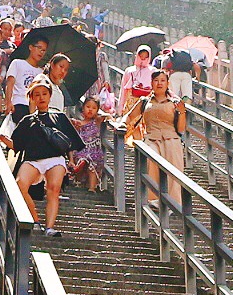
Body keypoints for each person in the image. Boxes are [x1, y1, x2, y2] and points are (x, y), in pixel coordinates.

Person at [0, 79, 86, 236]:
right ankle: (35, 219)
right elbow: (17, 145)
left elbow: (70, 142)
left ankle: (50, 227)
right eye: (37, 94)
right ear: (31, 97)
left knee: (53, 189)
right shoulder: (27, 121)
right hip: (33, 159)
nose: (41, 97)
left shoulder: (59, 117)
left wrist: (71, 160)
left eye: (44, 93)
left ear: (50, 95)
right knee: (20, 185)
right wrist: (4, 140)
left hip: (55, 158)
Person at [121, 68, 188, 203]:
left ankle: (173, 203)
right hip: (151, 138)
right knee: (150, 161)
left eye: (163, 80)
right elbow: (130, 116)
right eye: (156, 80)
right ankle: (152, 199)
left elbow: (181, 129)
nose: (159, 83)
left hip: (171, 139)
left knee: (173, 172)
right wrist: (122, 123)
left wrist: (182, 113)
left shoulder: (174, 103)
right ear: (151, 83)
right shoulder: (144, 101)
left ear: (168, 83)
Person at [72, 94, 110, 192]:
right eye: (88, 107)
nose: (90, 110)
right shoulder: (78, 123)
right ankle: (78, 180)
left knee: (92, 163)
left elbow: (106, 116)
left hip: (94, 150)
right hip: (81, 149)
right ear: (83, 108)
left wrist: (101, 115)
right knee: (81, 160)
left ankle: (92, 188)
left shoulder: (96, 121)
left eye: (94, 108)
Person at [3, 36, 50, 114]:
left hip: (35, 108)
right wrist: (8, 102)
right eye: (39, 48)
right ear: (31, 47)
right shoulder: (17, 63)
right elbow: (10, 83)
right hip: (19, 103)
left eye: (44, 50)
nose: (41, 52)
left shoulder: (41, 72)